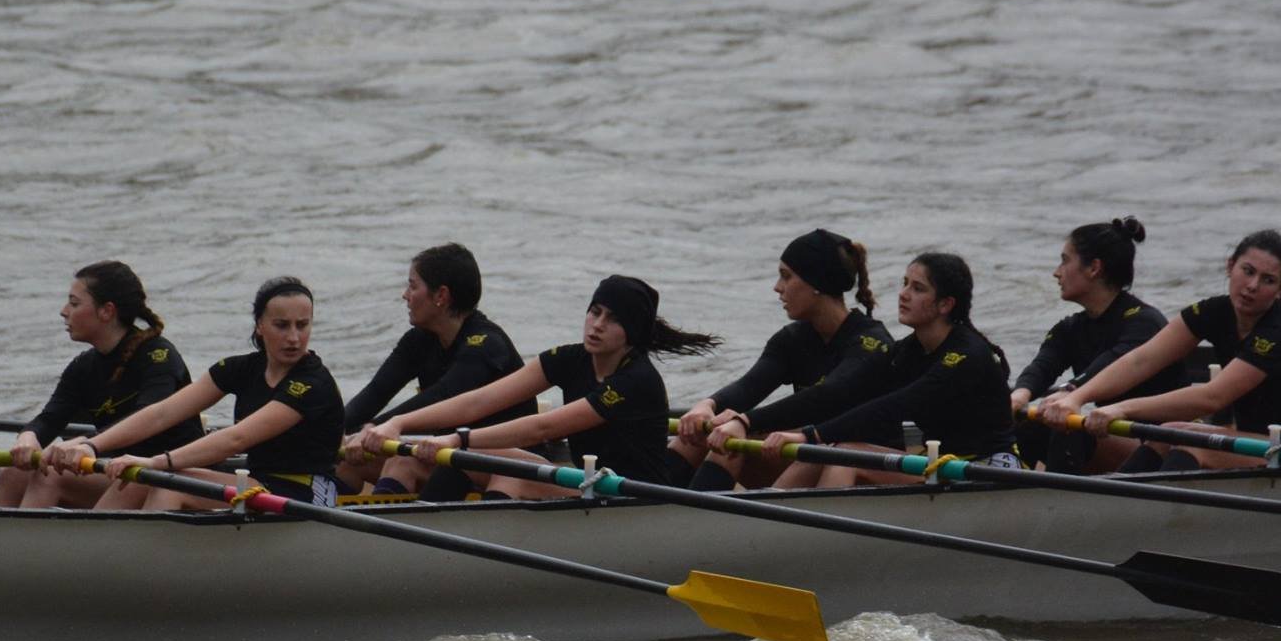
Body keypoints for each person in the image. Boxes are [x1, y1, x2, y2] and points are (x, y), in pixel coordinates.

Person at [347, 276, 718, 499]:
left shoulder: (636, 380)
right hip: (584, 482)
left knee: (510, 472)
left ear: (633, 333)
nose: (597, 324)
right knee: (406, 456)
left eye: (613, 319)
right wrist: (398, 425)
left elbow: (545, 427)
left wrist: (454, 441)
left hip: (629, 497)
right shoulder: (569, 358)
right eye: (595, 311)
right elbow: (478, 401)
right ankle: (396, 538)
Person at [1038, 229, 1281, 470]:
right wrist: (1078, 397)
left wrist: (1121, 408)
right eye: (1247, 271)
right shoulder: (1214, 311)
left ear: (1280, 289)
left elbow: (1213, 397)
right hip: (1258, 442)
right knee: (1169, 432)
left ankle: (1131, 516)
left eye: (1267, 280)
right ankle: (1111, 506)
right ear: (1230, 266)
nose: (1252, 285)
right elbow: (1141, 359)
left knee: (1192, 443)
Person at [45, 276, 345, 508]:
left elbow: (236, 438)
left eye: (302, 325)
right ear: (260, 327)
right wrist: (92, 446)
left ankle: (130, 571)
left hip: (306, 492)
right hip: (256, 483)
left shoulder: (312, 383)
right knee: (138, 480)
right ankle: (100, 558)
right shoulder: (239, 369)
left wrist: (155, 461)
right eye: (282, 325)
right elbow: (162, 412)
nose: (294, 337)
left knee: (165, 481)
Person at [751, 252, 1019, 488]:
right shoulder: (908, 351)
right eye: (905, 284)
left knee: (846, 456)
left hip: (986, 470)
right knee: (824, 450)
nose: (903, 294)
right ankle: (765, 524)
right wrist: (747, 421)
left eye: (918, 288)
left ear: (945, 304)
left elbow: (898, 406)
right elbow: (840, 393)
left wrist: (810, 434)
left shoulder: (967, 355)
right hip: (940, 464)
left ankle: (810, 540)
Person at [672, 228, 891, 491]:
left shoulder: (872, 342)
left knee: (741, 431)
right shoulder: (793, 339)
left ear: (817, 283)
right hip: (814, 454)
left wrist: (744, 421)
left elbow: (828, 395)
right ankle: (646, 511)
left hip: (867, 466)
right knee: (704, 435)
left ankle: (693, 522)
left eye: (786, 277)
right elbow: (749, 387)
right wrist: (707, 406)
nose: (777, 288)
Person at [0, 262, 204, 509]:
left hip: (170, 472)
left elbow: (148, 418)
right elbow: (50, 418)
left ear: (106, 311)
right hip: (118, 470)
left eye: (74, 304)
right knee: (14, 472)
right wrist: (28, 436)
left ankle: (33, 546)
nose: (64, 311)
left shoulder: (158, 357)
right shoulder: (83, 367)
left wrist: (85, 443)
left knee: (50, 477)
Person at [338, 243, 533, 499]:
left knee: (402, 462)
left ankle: (384, 534)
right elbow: (375, 393)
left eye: (413, 286)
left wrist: (380, 426)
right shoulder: (418, 340)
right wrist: (329, 431)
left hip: (510, 464)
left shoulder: (486, 344)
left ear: (440, 295)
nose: (405, 295)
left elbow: (446, 395)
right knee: (341, 459)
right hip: (454, 458)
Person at [1009, 217, 1183, 473]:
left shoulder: (1144, 322)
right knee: (1026, 423)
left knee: (1068, 425)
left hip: (1165, 445)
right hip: (1118, 435)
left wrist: (1070, 390)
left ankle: (1056, 502)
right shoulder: (1071, 328)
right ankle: (1016, 489)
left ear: (1094, 268)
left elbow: (1110, 364)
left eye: (1065, 260)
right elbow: (1042, 366)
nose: (1056, 272)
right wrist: (1018, 396)